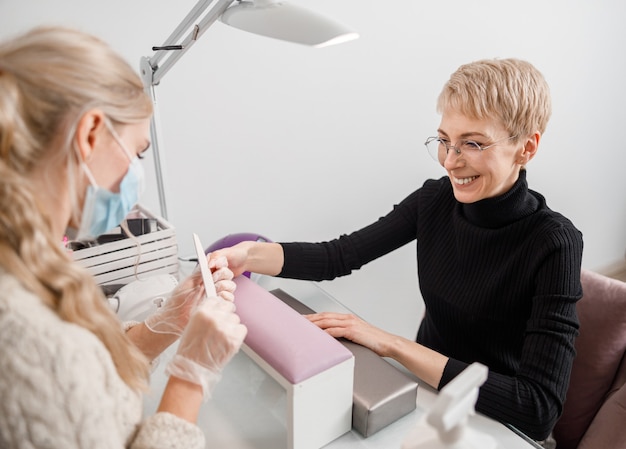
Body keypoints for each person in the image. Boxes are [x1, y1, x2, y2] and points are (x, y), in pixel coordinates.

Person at [209, 58, 584, 443]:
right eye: (444, 140)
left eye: (472, 143)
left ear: (527, 148)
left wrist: (388, 343)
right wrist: (248, 255)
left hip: (498, 424)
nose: (451, 162)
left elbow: (536, 408)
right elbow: (339, 255)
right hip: (425, 395)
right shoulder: (434, 200)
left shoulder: (555, 243)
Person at [0, 26, 247, 449]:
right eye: (137, 153)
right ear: (90, 134)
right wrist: (190, 378)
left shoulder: (30, 257)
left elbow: (86, 389)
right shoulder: (27, 338)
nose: (137, 174)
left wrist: (165, 325)